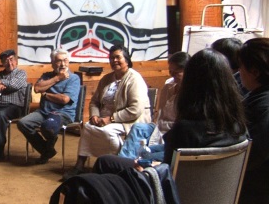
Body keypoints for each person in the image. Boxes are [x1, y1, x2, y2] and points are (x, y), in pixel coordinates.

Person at [94, 48, 248, 178]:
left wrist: (151, 166)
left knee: (105, 162)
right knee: (140, 135)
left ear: (191, 80)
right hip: (213, 192)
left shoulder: (185, 129)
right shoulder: (240, 126)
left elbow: (167, 173)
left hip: (168, 192)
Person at [62, 44, 150, 180]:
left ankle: (114, 166)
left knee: (107, 132)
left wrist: (111, 119)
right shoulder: (106, 79)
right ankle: (79, 166)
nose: (114, 60)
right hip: (104, 119)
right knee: (87, 127)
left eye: (117, 57)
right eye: (111, 58)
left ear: (126, 59)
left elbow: (135, 109)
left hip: (129, 121)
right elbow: (94, 102)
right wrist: (95, 115)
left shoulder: (134, 79)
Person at [118, 51, 190, 160]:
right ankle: (123, 161)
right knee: (138, 127)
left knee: (146, 154)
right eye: (171, 72)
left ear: (187, 71)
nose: (173, 75)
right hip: (159, 126)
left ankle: (137, 163)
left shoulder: (191, 93)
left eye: (176, 72)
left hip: (173, 132)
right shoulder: (168, 86)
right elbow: (160, 113)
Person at [18, 49, 80, 165]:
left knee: (48, 126)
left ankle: (47, 147)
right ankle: (47, 150)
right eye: (59, 61)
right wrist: (57, 78)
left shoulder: (74, 78)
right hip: (43, 112)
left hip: (62, 113)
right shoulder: (46, 75)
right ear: (52, 63)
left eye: (65, 60)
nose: (62, 64)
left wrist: (46, 94)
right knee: (23, 123)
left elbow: (64, 99)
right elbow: (37, 89)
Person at [237, 38, 269, 203]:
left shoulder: (264, 103)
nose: (239, 72)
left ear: (255, 71)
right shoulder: (256, 96)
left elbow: (256, 152)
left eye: (241, 66)